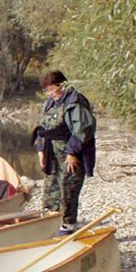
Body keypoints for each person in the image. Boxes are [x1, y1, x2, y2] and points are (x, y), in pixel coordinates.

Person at [31, 71, 96, 235]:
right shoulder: (49, 103)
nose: (50, 94)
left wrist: (72, 153)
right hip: (51, 154)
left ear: (62, 85)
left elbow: (83, 130)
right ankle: (50, 224)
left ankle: (68, 226)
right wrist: (40, 150)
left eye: (52, 89)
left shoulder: (75, 102)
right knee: (50, 190)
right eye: (47, 91)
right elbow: (43, 129)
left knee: (68, 190)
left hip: (70, 155)